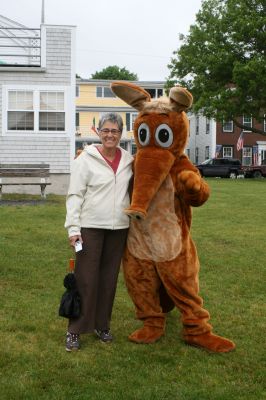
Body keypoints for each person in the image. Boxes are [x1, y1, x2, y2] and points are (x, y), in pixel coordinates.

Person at [64, 112, 133, 351]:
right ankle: (74, 330)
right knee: (86, 279)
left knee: (108, 281)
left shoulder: (128, 160)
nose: (110, 135)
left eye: (115, 131)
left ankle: (102, 325)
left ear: (121, 134)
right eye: (106, 130)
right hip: (90, 227)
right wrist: (74, 229)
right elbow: (75, 195)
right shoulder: (86, 159)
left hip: (119, 229)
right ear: (98, 132)